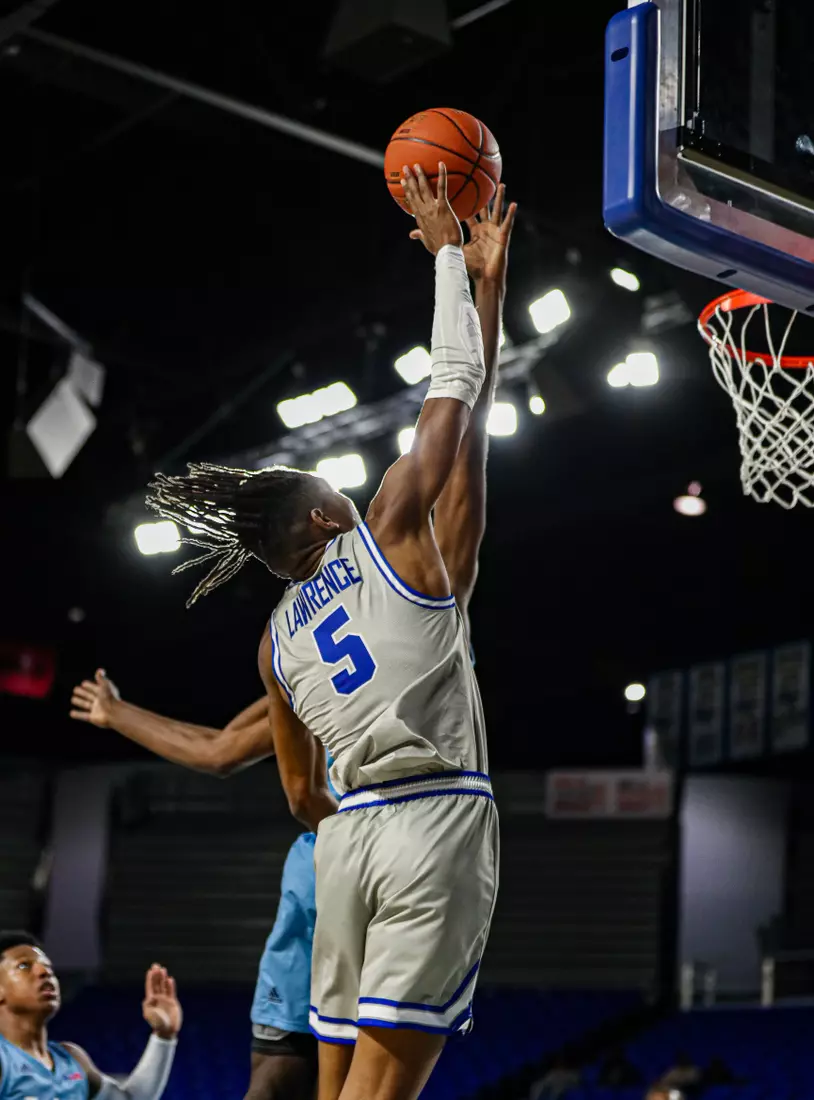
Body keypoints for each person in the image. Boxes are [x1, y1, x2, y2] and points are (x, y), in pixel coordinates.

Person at [71, 174, 515, 1100]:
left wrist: (487, 292)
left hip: (346, 845)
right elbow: (453, 395)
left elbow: (297, 792)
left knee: (334, 1089)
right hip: (431, 818)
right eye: (328, 492)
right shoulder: (388, 532)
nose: (343, 492)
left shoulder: (276, 644)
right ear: (321, 524)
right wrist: (449, 260)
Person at [0, 930, 181, 1099]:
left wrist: (164, 1036)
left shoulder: (72, 1059)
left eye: (48, 967)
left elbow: (131, 1098)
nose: (44, 972)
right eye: (24, 966)